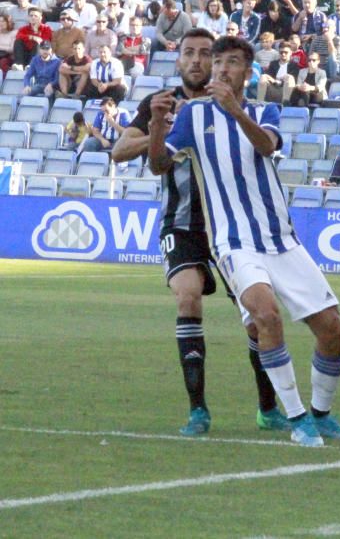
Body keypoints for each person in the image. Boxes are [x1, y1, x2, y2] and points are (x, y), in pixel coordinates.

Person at [148, 35, 340, 447]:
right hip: (233, 242)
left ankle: (322, 413)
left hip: (281, 239)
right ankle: (297, 418)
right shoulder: (193, 114)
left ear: (248, 72)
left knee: (333, 330)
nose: (222, 68)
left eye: (232, 63)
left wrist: (235, 111)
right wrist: (157, 125)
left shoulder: (266, 110)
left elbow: (265, 145)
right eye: (219, 62)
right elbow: (158, 164)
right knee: (266, 315)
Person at [113, 29, 287, 436]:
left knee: (255, 319)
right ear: (178, 61)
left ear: (219, 62)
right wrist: (162, 130)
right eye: (188, 53)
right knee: (188, 296)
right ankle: (198, 411)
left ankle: (268, 407)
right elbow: (120, 151)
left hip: (232, 225)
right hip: (182, 222)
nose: (196, 60)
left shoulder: (230, 105)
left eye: (205, 54)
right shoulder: (163, 103)